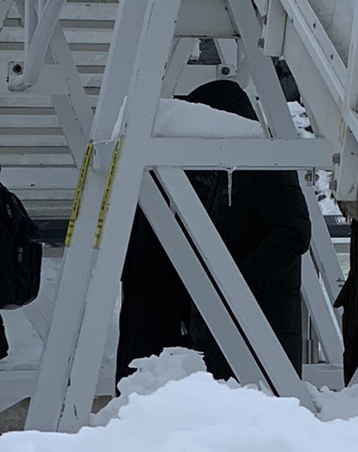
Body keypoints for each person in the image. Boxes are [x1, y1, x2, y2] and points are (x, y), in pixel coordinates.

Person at [116, 77, 312, 384]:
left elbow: (293, 232)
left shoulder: (259, 167)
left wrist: (231, 286)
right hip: (241, 318)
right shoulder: (231, 169)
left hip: (252, 318)